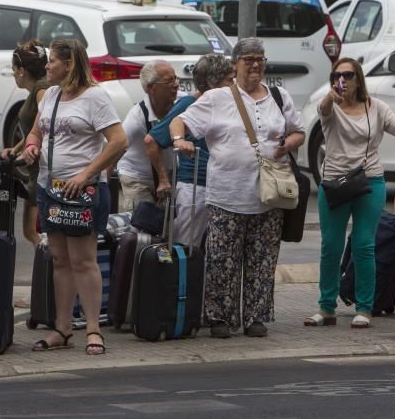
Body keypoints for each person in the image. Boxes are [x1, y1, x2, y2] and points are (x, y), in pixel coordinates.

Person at [170, 38, 305, 338]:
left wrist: (288, 144)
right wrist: (180, 140)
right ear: (235, 65)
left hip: (269, 195)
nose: (255, 64)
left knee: (262, 259)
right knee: (222, 259)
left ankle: (256, 316)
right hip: (227, 195)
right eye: (248, 59)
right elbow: (180, 121)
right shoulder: (218, 98)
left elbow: (298, 131)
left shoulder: (278, 96)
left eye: (260, 58)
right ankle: (220, 317)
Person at [306, 57, 395, 328]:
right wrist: (331, 97)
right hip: (334, 183)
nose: (341, 80)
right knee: (330, 246)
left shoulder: (375, 107)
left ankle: (365, 307)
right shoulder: (330, 107)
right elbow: (323, 108)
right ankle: (326, 307)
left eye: (348, 75)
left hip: (369, 182)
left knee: (364, 245)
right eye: (336, 75)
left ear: (359, 80)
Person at [20, 38, 127, 354]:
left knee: (83, 259)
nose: (47, 66)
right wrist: (30, 147)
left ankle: (93, 329)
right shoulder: (51, 95)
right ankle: (62, 328)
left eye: (52, 60)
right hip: (50, 188)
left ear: (69, 64)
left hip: (85, 191)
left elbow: (118, 141)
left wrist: (85, 174)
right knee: (59, 259)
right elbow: (36, 131)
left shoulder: (95, 98)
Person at [144, 54, 234, 246]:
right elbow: (151, 140)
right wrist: (163, 180)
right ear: (212, 83)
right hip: (195, 187)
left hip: (221, 187)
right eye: (229, 80)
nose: (234, 84)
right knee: (186, 248)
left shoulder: (229, 103)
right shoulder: (189, 104)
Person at [0, 39, 49, 248]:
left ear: (21, 70)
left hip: (43, 169)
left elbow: (47, 123)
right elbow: (34, 128)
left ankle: (50, 272)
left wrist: (32, 150)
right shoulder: (37, 90)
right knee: (32, 231)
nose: (12, 74)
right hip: (35, 167)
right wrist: (17, 148)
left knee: (35, 231)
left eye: (13, 69)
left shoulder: (42, 91)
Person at [116, 60, 179, 211]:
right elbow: (117, 146)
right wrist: (102, 183)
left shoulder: (182, 103)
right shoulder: (137, 116)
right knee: (142, 225)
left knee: (168, 227)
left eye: (176, 78)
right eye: (169, 81)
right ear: (151, 88)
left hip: (170, 175)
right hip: (137, 178)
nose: (176, 84)